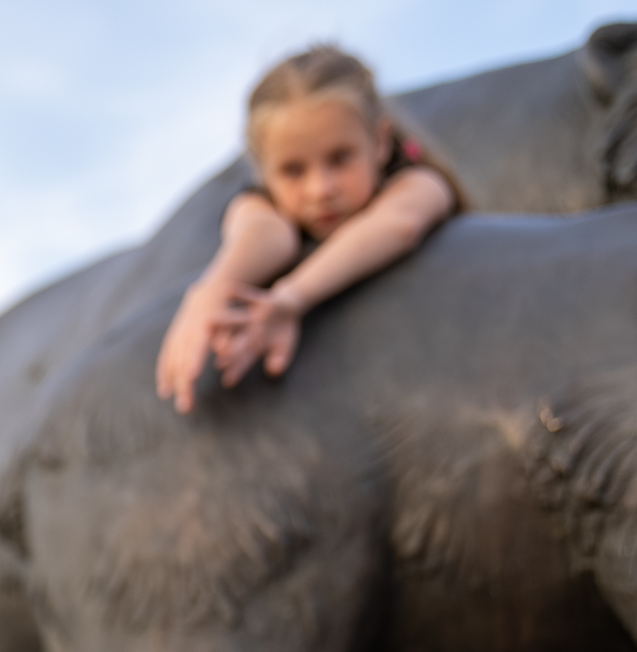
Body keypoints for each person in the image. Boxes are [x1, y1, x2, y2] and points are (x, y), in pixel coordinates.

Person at [156, 45, 460, 414]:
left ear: (380, 142)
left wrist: (290, 299)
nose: (321, 189)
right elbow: (266, 236)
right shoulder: (258, 204)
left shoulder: (419, 183)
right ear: (262, 172)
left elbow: (400, 224)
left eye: (340, 158)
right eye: (294, 171)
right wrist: (209, 293)